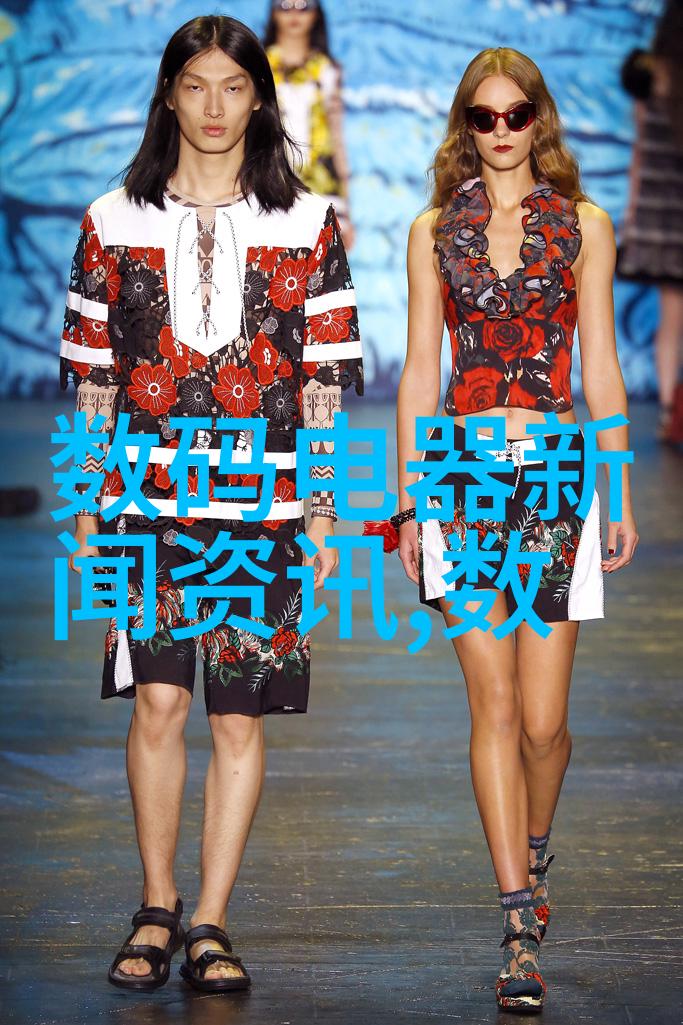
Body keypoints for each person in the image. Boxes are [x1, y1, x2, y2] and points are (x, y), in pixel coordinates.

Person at [59, 14, 363, 993]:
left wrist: (321, 510)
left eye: (233, 86)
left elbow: (322, 376)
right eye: (195, 85)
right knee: (157, 698)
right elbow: (93, 373)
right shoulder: (112, 219)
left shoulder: (305, 221)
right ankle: (156, 904)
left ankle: (211, 919)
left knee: (237, 714)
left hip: (263, 505)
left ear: (260, 100)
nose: (215, 106)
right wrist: (85, 502)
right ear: (168, 95)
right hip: (145, 497)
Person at [395, 48, 638, 1011]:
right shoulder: (432, 230)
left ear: (539, 118)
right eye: (482, 115)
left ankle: (537, 851)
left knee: (543, 724)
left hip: (556, 479)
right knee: (491, 707)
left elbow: (601, 365)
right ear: (465, 123)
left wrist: (619, 491)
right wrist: (408, 502)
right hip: (458, 478)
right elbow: (419, 372)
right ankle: (515, 924)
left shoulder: (583, 226)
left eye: (515, 113)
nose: (500, 130)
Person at [616, 0, 683, 444]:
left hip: (659, 220)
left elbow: (640, 152)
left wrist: (631, 217)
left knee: (670, 319)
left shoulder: (646, 77)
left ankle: (668, 413)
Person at [263, 0, 354, 248]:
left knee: (326, 264)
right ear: (273, 12)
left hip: (321, 181)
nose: (294, 12)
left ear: (316, 14)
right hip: (271, 176)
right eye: (285, 5)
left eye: (303, 5)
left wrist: (346, 206)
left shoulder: (327, 70)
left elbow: (336, 135)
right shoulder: (258, 66)